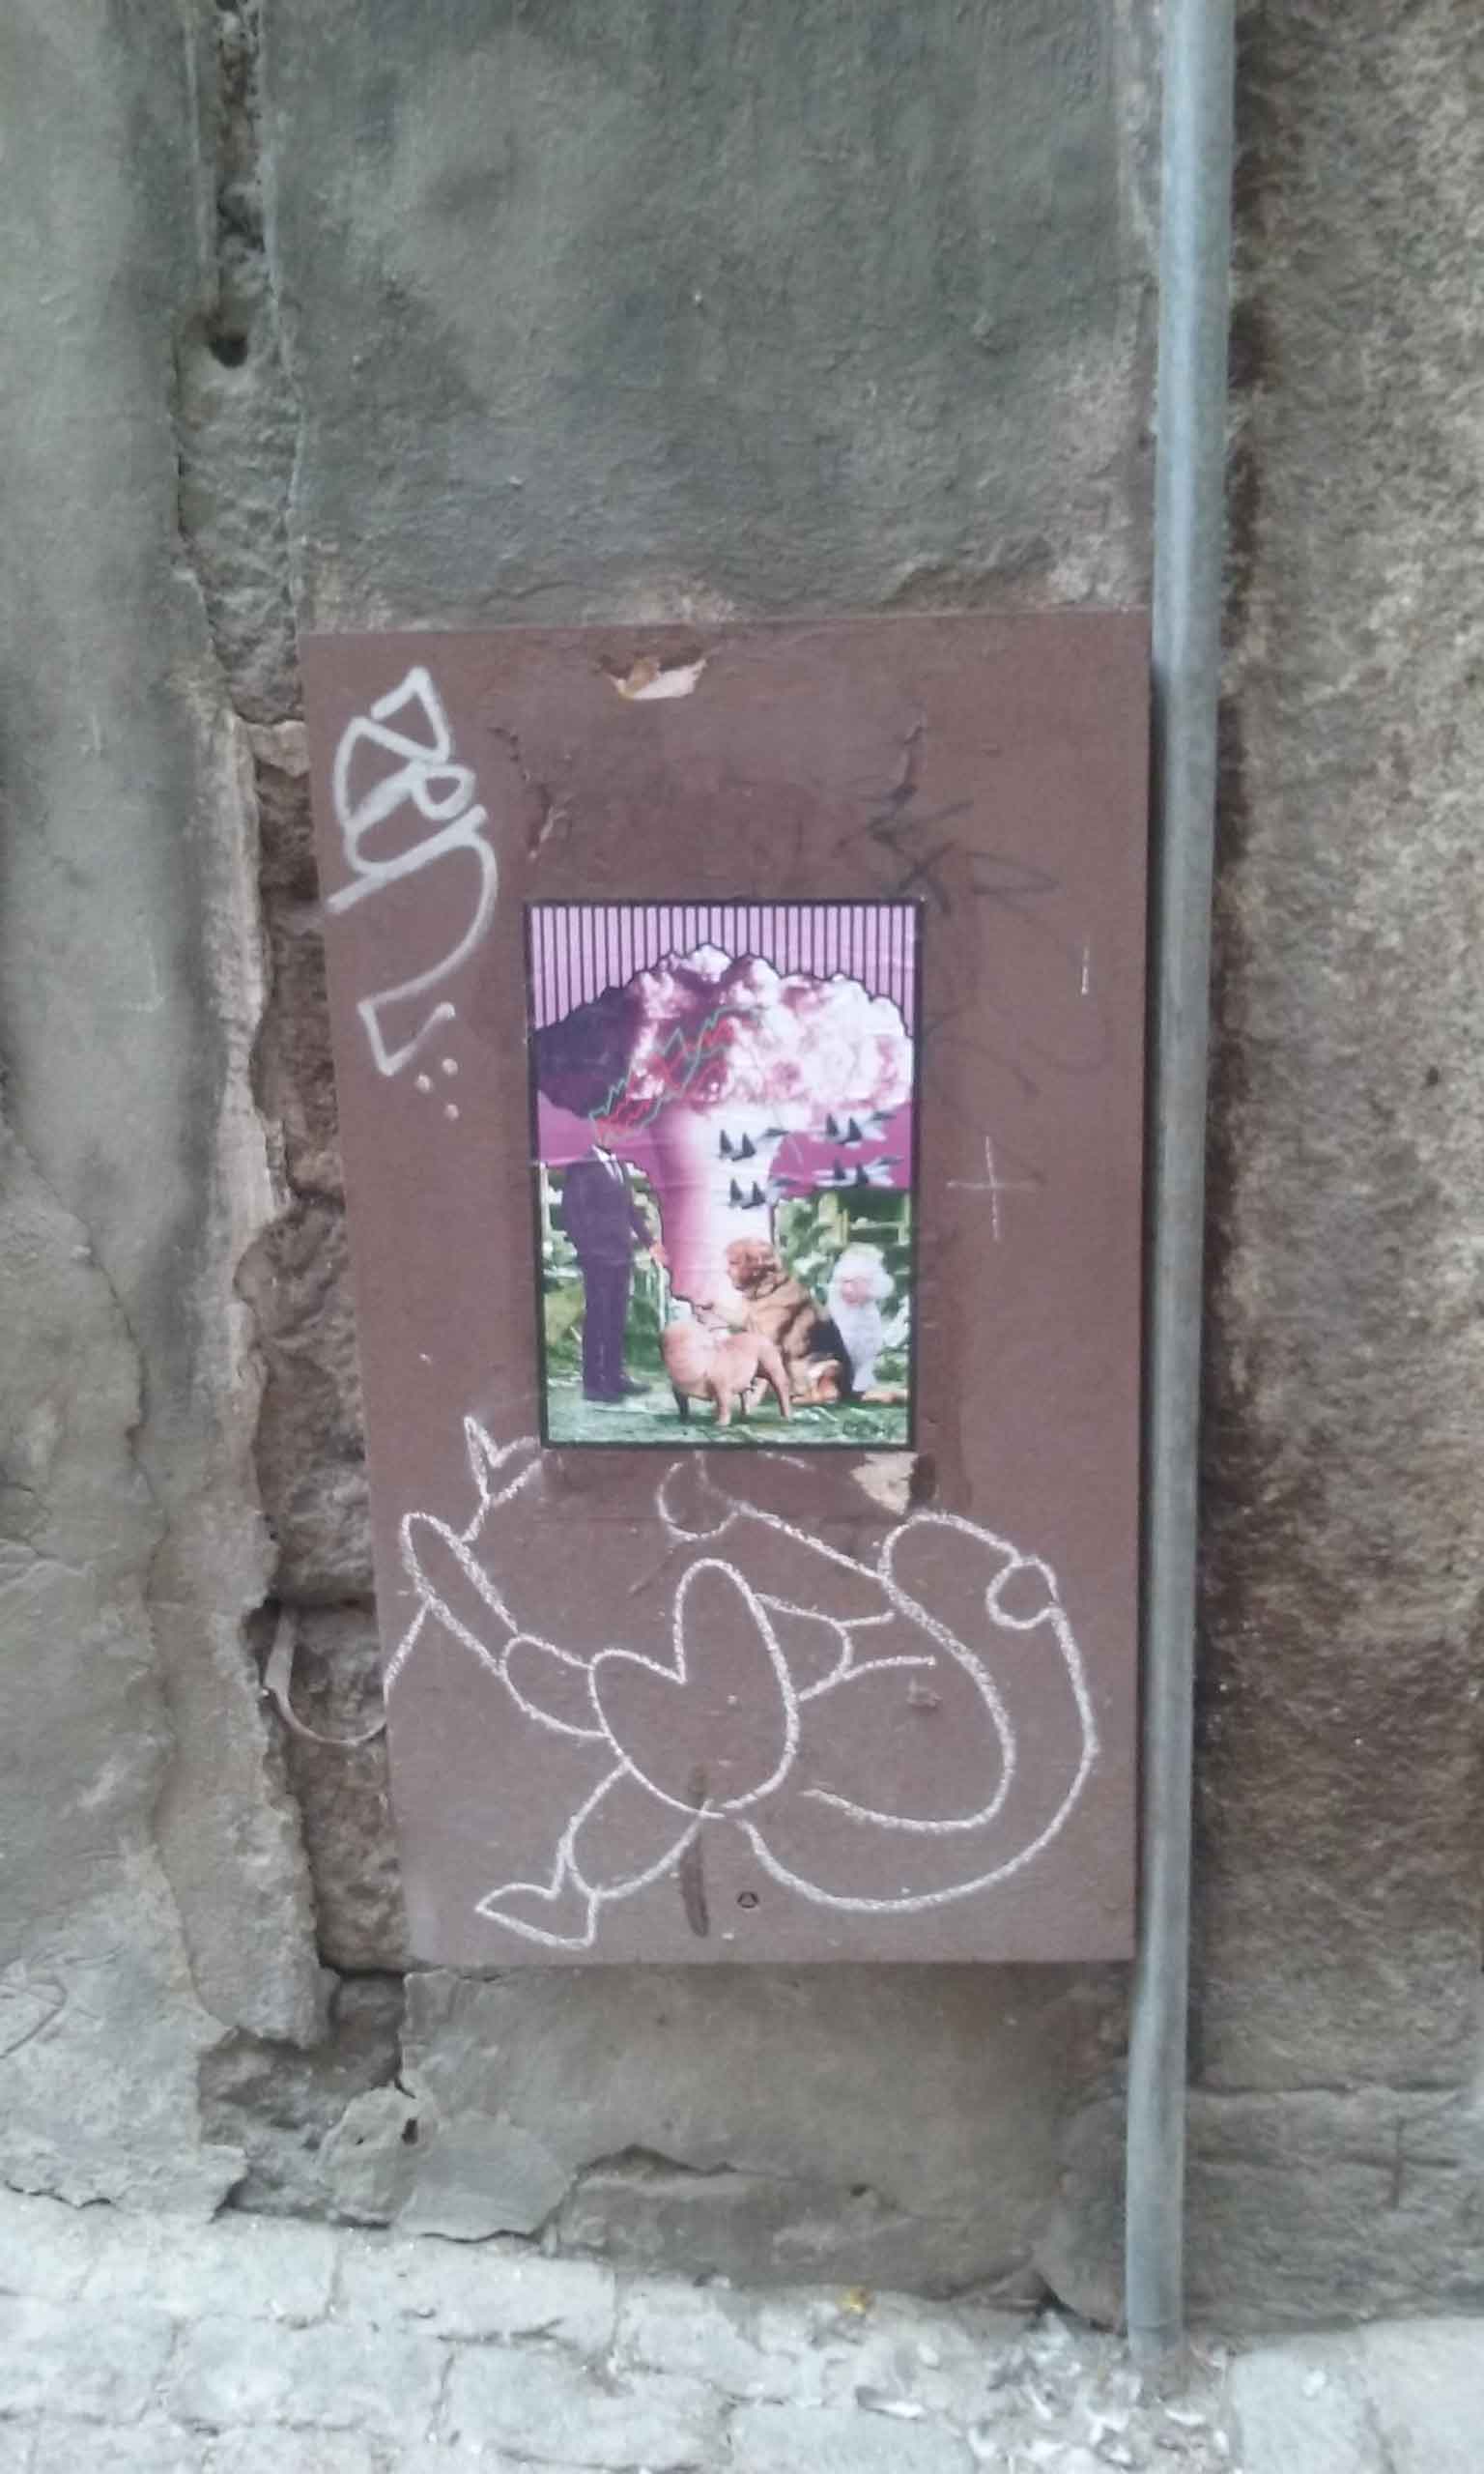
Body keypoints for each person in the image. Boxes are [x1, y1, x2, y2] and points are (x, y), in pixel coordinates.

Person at [559, 1142, 655, 1402]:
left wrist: (650, 1243)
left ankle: (615, 1377)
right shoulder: (581, 1164)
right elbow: (572, 1212)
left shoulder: (618, 1163)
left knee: (617, 1318)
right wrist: (586, 1248)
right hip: (597, 1257)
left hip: (621, 1254)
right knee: (597, 1318)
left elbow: (629, 1209)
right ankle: (593, 1384)